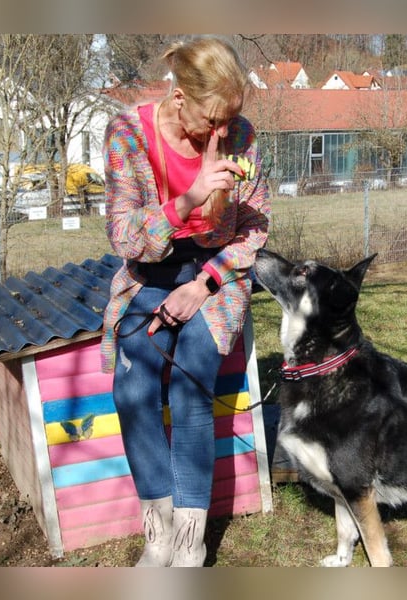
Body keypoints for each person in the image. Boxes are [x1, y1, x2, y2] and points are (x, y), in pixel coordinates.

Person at [100, 35, 270, 567]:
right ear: (179, 99)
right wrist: (190, 198)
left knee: (193, 380)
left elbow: (255, 229)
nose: (223, 134)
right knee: (133, 385)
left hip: (214, 277)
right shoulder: (128, 134)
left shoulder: (241, 135)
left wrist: (203, 286)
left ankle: (189, 542)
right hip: (150, 271)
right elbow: (126, 239)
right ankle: (158, 533)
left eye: (230, 120)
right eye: (212, 120)